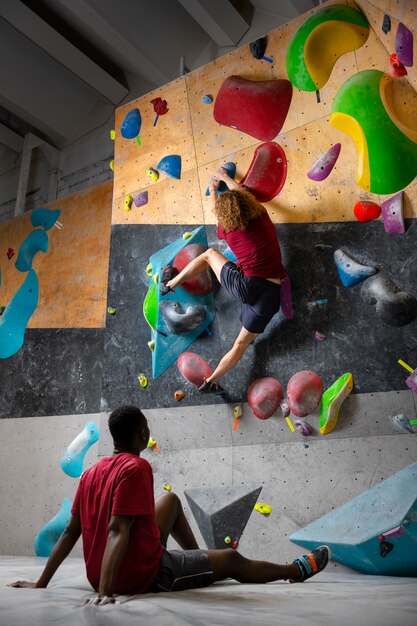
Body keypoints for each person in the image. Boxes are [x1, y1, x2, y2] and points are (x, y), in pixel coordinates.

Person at [9, 406, 330, 604]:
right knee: (231, 559)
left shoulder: (91, 472)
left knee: (171, 501)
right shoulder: (136, 467)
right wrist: (105, 591)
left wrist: (41, 582)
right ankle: (295, 571)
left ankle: (198, 561)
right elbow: (118, 530)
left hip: (105, 571)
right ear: (140, 432)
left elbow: (69, 532)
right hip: (140, 575)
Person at [162, 168, 287, 395]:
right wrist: (226, 178)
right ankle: (210, 381)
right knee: (240, 345)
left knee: (209, 255)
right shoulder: (262, 215)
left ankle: (170, 283)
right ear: (248, 203)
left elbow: (215, 210)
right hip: (271, 294)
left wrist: (212, 190)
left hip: (245, 286)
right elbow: (240, 192)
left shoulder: (228, 230)